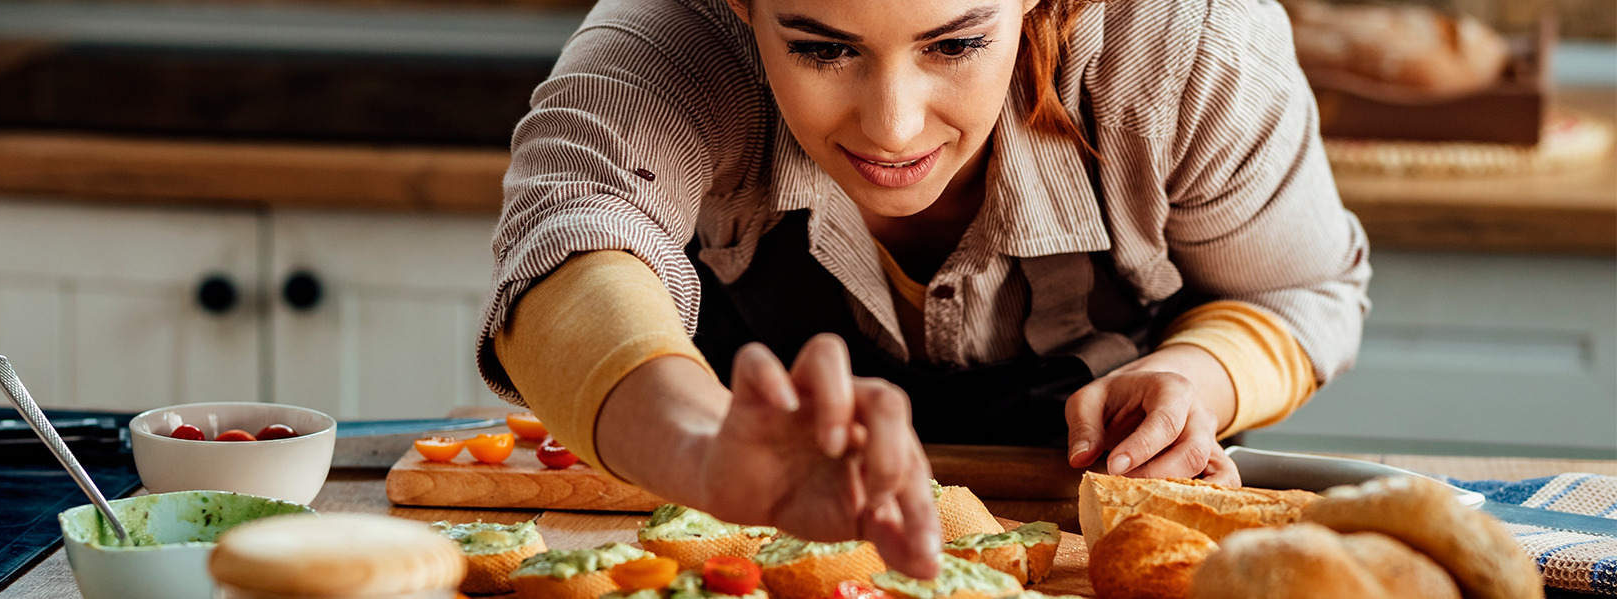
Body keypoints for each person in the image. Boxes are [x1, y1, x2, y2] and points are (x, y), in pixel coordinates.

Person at [477, 0, 1370, 578]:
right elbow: (570, 247)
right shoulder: (664, 43)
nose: (893, 126)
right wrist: (701, 447)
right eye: (822, 49)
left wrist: (1199, 375)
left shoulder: (1192, 47)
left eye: (958, 43)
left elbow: (1304, 291)